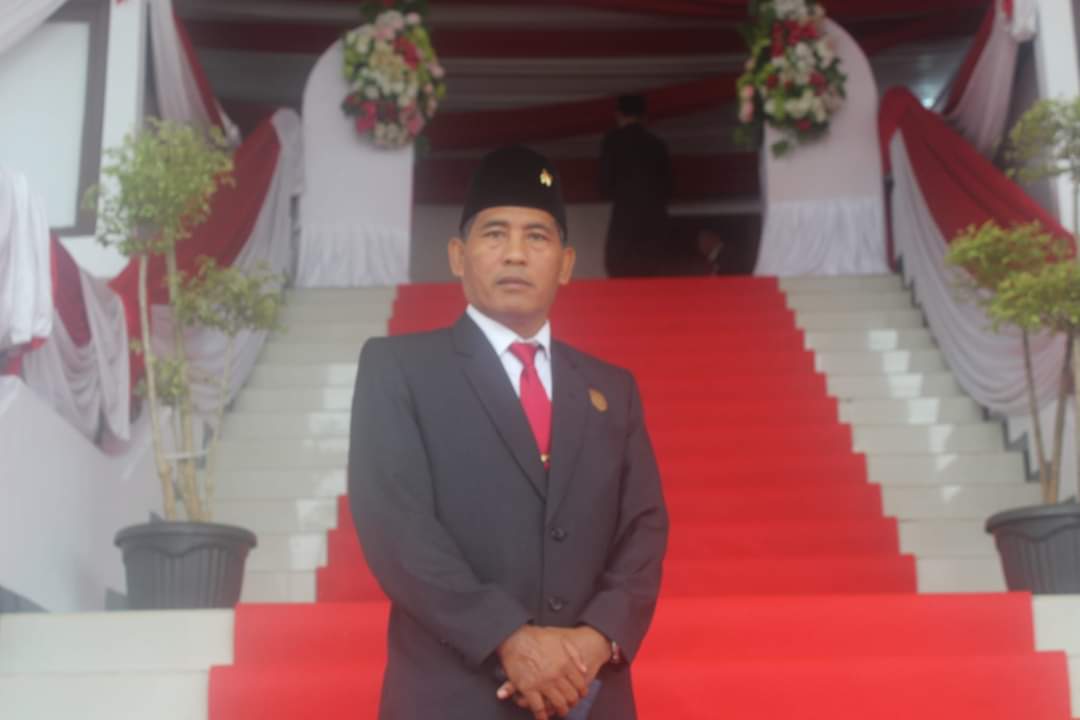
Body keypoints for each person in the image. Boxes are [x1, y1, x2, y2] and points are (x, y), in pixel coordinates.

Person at [348, 145, 668, 720]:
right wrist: (508, 638)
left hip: (589, 695)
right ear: (458, 255)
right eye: (495, 234)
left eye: (537, 237)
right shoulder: (399, 369)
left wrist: (593, 642)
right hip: (451, 695)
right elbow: (396, 529)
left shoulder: (611, 389)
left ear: (566, 263)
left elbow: (643, 529)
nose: (516, 253)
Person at [598, 94, 673, 278]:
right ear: (644, 116)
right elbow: (669, 187)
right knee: (651, 277)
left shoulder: (613, 142)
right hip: (654, 223)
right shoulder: (657, 145)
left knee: (621, 276)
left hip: (624, 221)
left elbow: (604, 185)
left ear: (618, 115)